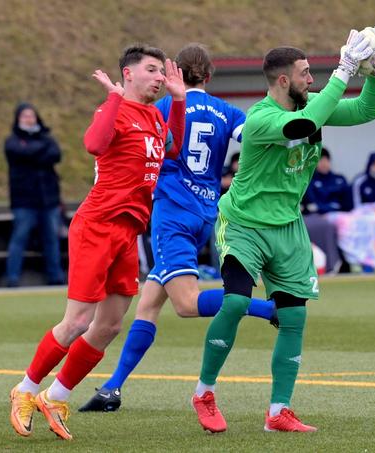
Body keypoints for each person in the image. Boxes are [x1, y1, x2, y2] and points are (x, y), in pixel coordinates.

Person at [191, 30, 375, 434]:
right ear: (283, 80)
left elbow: (367, 110)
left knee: (293, 316)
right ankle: (204, 392)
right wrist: (344, 70)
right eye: (305, 73)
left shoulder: (312, 104)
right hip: (244, 224)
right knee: (235, 302)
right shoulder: (261, 118)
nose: (311, 80)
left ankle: (278, 412)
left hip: (287, 227)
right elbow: (303, 126)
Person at [80, 43, 276, 413]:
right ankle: (112, 388)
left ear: (175, 74)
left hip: (172, 212)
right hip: (206, 214)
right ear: (210, 76)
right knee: (149, 304)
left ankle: (269, 309)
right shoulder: (227, 111)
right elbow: (255, 140)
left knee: (185, 304)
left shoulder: (162, 108)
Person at [8, 44, 187, 441]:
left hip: (128, 231)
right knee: (77, 321)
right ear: (128, 73)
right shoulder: (114, 108)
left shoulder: (154, 116)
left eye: (162, 71)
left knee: (109, 326)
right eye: (152, 70)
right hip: (98, 225)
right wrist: (114, 99)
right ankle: (25, 389)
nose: (160, 77)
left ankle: (55, 397)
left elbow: (172, 148)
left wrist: (178, 101)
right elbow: (94, 143)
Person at [3, 103, 66, 287]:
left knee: (51, 240)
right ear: (18, 119)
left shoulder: (46, 138)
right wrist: (40, 149)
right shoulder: (12, 141)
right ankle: (12, 277)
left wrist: (33, 152)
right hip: (24, 201)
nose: (28, 119)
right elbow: (22, 152)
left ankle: (56, 277)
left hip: (49, 200)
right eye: (25, 116)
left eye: (31, 115)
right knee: (19, 238)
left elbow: (55, 154)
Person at [301, 147, 352, 273]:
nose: (324, 163)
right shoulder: (309, 180)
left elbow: (348, 204)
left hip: (343, 216)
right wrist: (331, 207)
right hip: (320, 216)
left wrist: (332, 208)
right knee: (328, 226)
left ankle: (354, 262)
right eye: (320, 160)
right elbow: (313, 205)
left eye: (326, 160)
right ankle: (334, 264)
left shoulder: (339, 179)